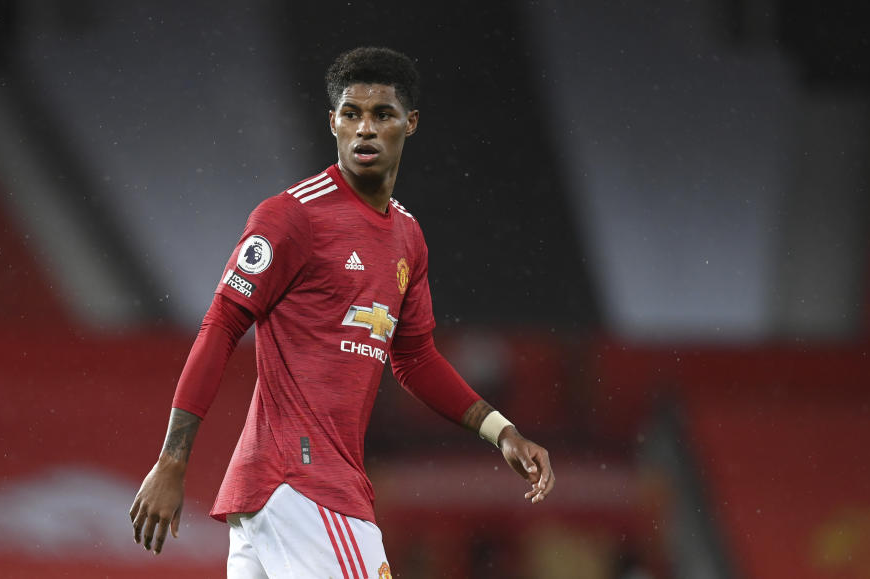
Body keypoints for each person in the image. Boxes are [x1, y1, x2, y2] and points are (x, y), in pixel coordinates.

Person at [130, 46, 555, 578]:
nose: (365, 130)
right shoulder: (291, 217)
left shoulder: (408, 238)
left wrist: (502, 431)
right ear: (332, 121)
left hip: (286, 494)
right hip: (303, 485)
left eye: (382, 115)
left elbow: (416, 359)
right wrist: (173, 460)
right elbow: (222, 324)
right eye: (351, 114)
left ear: (411, 123)